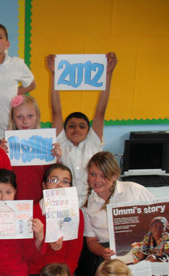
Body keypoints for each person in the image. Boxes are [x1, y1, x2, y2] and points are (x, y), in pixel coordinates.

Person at [81, 151, 154, 276]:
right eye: (93, 174)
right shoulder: (87, 205)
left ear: (114, 176)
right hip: (110, 253)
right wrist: (103, 252)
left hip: (140, 245)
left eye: (103, 175)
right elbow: (91, 241)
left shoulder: (134, 190)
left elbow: (159, 212)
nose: (97, 180)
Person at [47, 52, 118, 205]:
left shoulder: (93, 142)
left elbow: (101, 111)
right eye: (71, 126)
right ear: (64, 131)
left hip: (93, 201)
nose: (76, 129)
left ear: (89, 130)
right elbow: (56, 111)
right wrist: (54, 75)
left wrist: (109, 74)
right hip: (65, 201)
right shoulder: (62, 143)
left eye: (82, 126)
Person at [30, 164, 84, 276]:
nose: (60, 185)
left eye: (66, 181)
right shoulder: (31, 212)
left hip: (65, 273)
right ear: (44, 185)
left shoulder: (76, 213)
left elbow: (74, 254)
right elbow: (28, 259)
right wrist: (43, 243)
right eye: (54, 180)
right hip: (38, 274)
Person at [2, 94, 61, 203]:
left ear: (37, 116)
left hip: (40, 204)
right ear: (13, 119)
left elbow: (54, 176)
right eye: (19, 117)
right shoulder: (6, 145)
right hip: (12, 204)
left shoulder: (47, 143)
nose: (25, 121)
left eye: (30, 116)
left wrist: (57, 160)